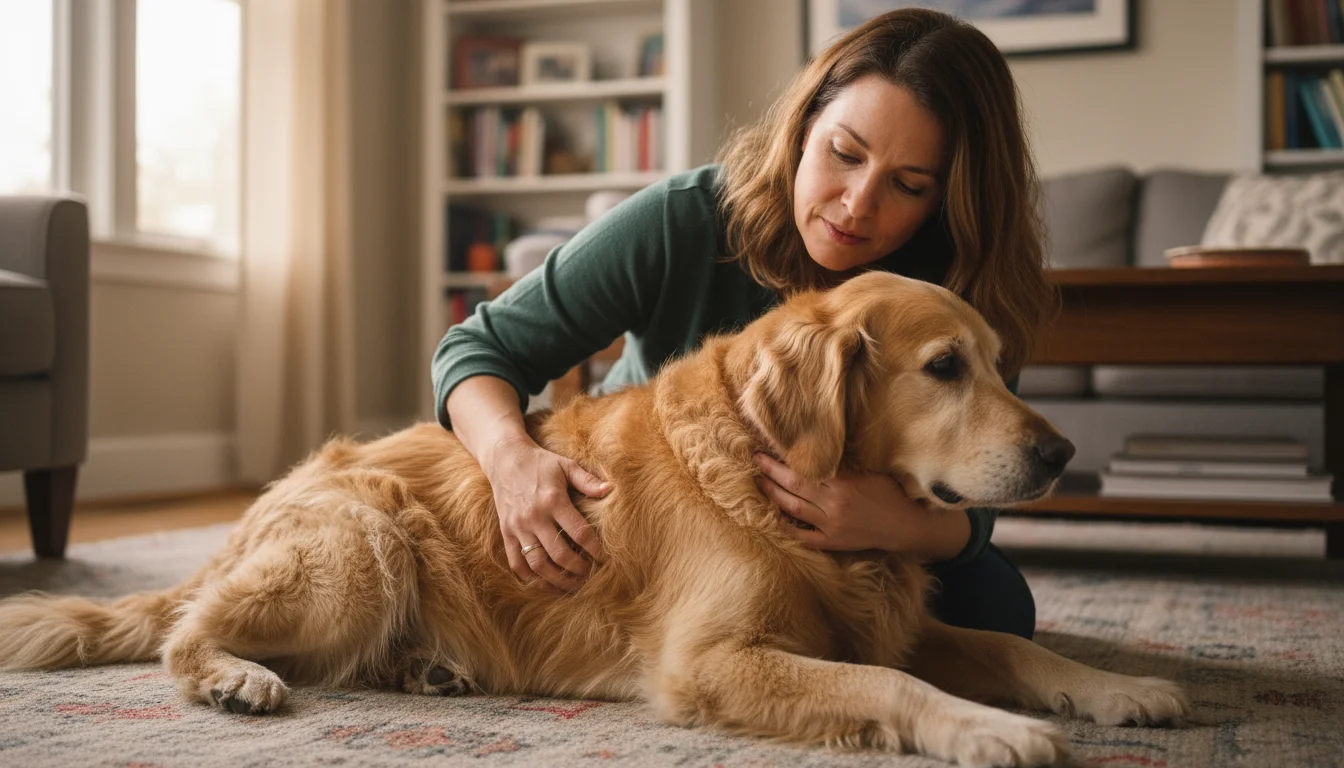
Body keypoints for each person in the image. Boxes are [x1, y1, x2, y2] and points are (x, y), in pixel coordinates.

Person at [433, 8, 1054, 640]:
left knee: (997, 610)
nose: (857, 203)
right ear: (804, 129)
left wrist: (896, 526)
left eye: (909, 185)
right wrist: (510, 461)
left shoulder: (961, 287)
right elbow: (479, 347)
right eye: (844, 153)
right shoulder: (685, 219)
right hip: (671, 520)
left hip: (868, 523)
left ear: (950, 199)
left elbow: (981, 479)